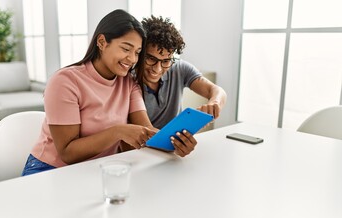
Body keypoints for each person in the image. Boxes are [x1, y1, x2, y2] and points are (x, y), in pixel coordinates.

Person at [21, 9, 158, 176]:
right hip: (49, 170)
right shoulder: (65, 81)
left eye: (137, 52)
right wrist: (118, 131)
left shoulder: (128, 83)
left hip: (98, 169)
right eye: (125, 49)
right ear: (101, 42)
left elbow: (146, 131)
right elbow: (67, 153)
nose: (132, 59)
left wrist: (175, 138)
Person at [139, 16, 227, 129]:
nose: (158, 69)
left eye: (166, 61)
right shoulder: (128, 81)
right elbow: (143, 132)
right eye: (151, 59)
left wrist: (214, 103)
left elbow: (217, 91)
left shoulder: (179, 68)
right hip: (142, 144)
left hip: (174, 141)